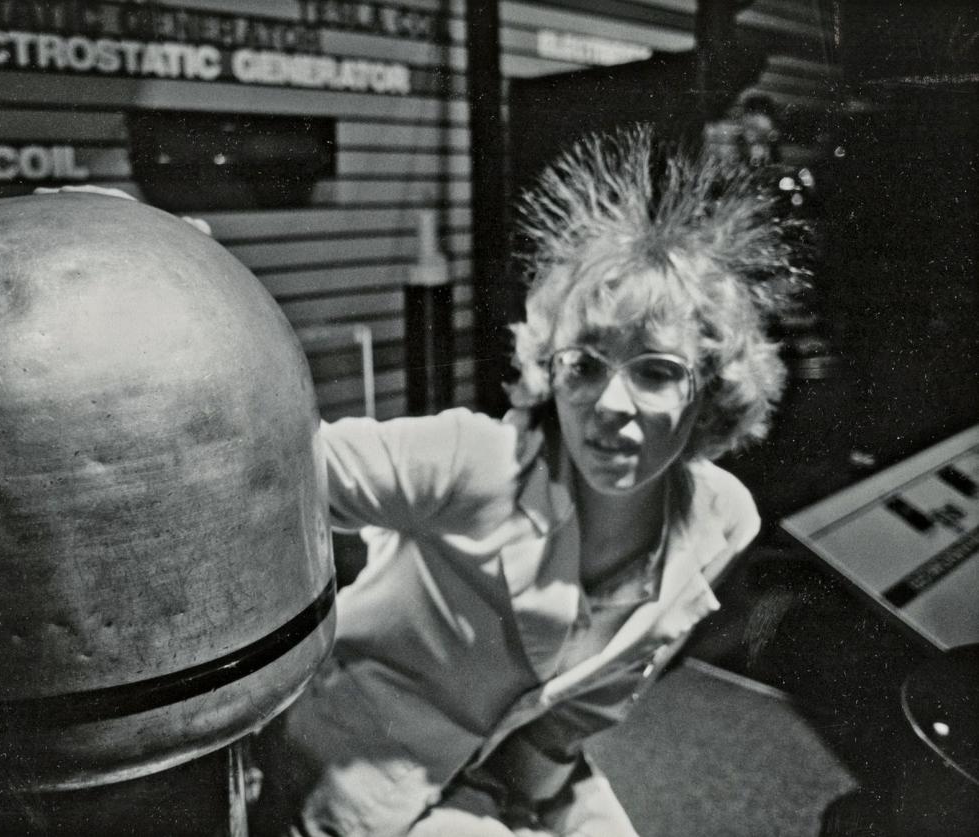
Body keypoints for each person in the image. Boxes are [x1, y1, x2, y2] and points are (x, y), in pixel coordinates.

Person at [249, 125, 804, 837]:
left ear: (711, 394)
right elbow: (266, 481)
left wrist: (520, 795)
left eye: (657, 372)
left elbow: (594, 695)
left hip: (515, 767)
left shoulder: (722, 520)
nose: (610, 404)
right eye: (586, 364)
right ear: (552, 368)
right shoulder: (477, 458)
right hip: (364, 767)